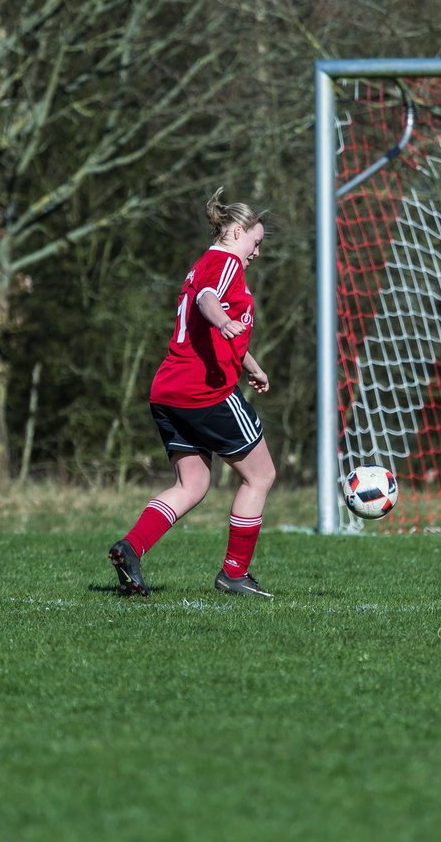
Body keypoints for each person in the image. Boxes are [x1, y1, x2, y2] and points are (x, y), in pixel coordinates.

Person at [107, 188, 277, 599]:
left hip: (168, 390)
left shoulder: (203, 263)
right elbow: (207, 301)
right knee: (261, 476)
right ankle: (234, 574)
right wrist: (221, 320)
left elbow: (215, 323)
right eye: (256, 242)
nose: (256, 253)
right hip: (204, 392)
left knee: (193, 484)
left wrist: (250, 364)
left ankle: (130, 548)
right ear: (237, 232)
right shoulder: (224, 263)